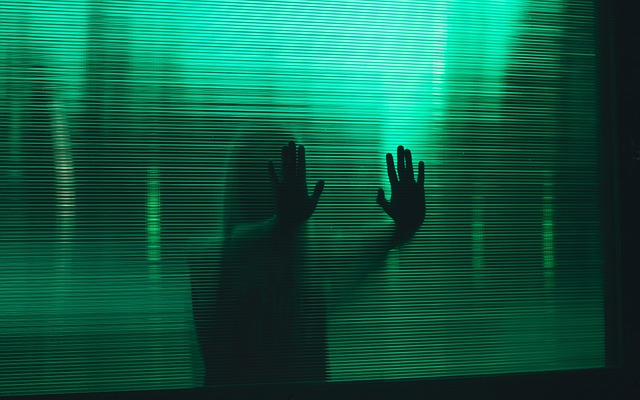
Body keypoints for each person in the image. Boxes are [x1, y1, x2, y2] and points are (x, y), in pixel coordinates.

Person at [190, 138, 425, 386]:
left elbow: (369, 247)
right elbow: (218, 351)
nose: (286, 184)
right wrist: (283, 225)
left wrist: (404, 227)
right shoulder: (208, 257)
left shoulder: (314, 256)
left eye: (292, 171)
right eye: (276, 172)